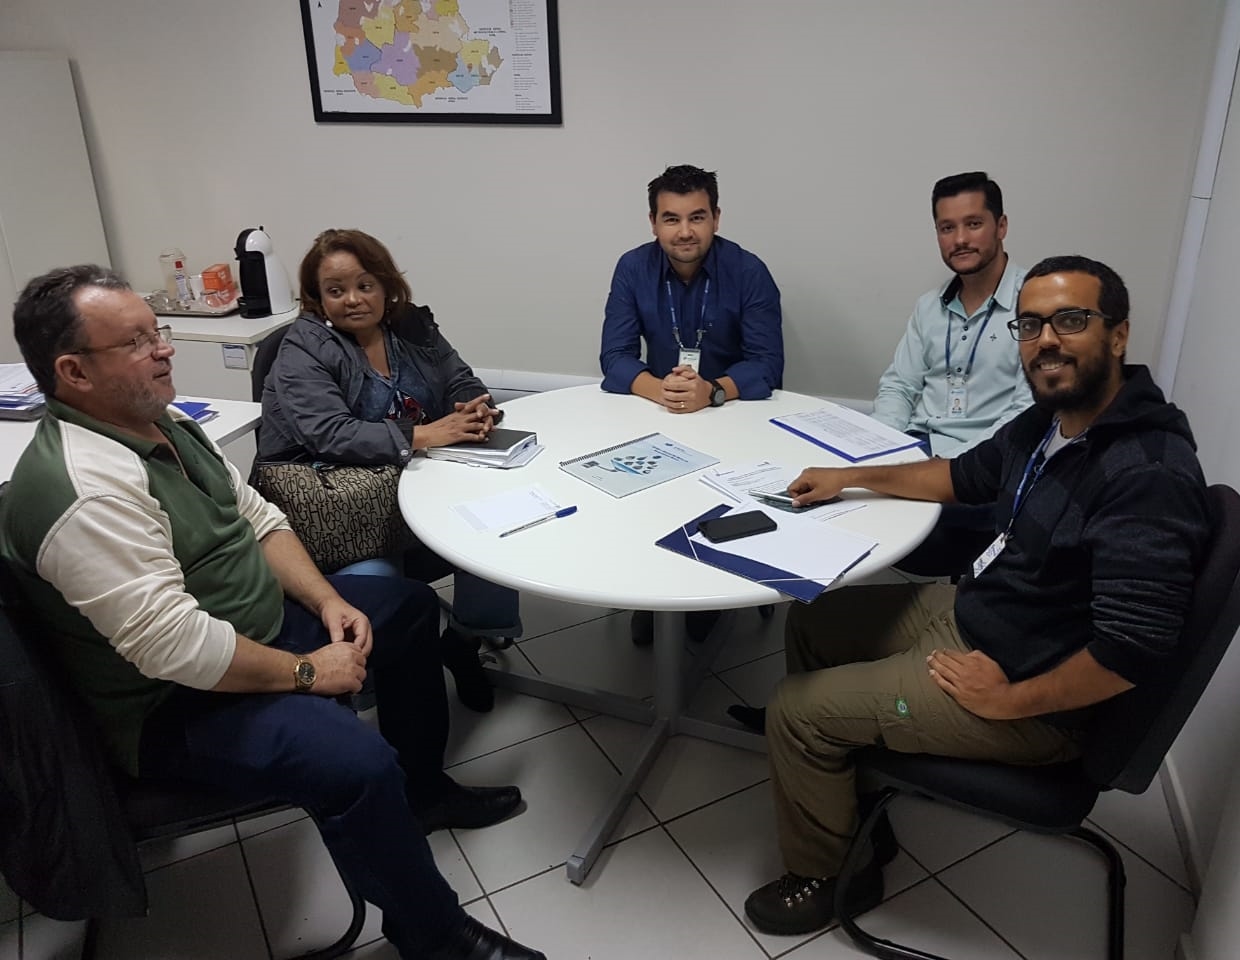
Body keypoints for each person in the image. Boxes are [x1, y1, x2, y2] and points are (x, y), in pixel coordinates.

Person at [0, 265, 543, 960]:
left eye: (155, 331)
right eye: (137, 342)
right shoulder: (86, 490)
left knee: (406, 611)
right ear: (73, 373)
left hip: (250, 631)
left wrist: (328, 599)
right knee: (355, 762)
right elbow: (176, 650)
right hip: (176, 701)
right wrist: (310, 670)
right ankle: (433, 935)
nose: (163, 349)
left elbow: (257, 518)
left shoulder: (157, 421)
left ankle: (424, 794)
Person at [741, 256, 1210, 936]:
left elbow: (1132, 649)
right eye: (1032, 325)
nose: (1046, 340)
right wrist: (849, 477)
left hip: (1029, 691)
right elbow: (959, 476)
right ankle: (848, 785)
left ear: (1117, 335)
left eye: (1071, 320)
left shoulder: (1148, 474)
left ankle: (830, 873)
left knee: (794, 711)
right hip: (978, 617)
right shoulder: (1054, 422)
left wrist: (1011, 700)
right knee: (816, 616)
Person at [257, 228, 521, 712]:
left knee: (496, 531)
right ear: (318, 298)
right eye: (335, 291)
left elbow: (458, 376)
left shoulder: (413, 326)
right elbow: (329, 432)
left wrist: (475, 407)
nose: (353, 300)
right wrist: (423, 435)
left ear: (385, 284)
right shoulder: (303, 348)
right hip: (345, 510)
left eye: (364, 285)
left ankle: (464, 643)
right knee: (377, 583)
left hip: (420, 483)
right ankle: (393, 698)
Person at [600, 164, 785, 645]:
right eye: (671, 218)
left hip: (734, 414)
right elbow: (614, 357)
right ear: (653, 222)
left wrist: (713, 391)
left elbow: (768, 364)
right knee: (644, 502)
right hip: (661, 411)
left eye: (697, 217)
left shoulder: (748, 271)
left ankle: (708, 595)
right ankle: (657, 593)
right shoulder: (632, 268)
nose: (684, 232)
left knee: (716, 504)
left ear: (717, 218)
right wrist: (658, 388)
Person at [872, 171, 1034, 578]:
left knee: (864, 512)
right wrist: (883, 449)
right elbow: (899, 385)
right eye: (947, 228)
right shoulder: (930, 306)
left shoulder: (1033, 305)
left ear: (1002, 226)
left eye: (973, 224)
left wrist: (942, 468)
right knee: (844, 494)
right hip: (918, 449)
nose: (960, 239)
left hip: (984, 472)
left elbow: (1024, 415)